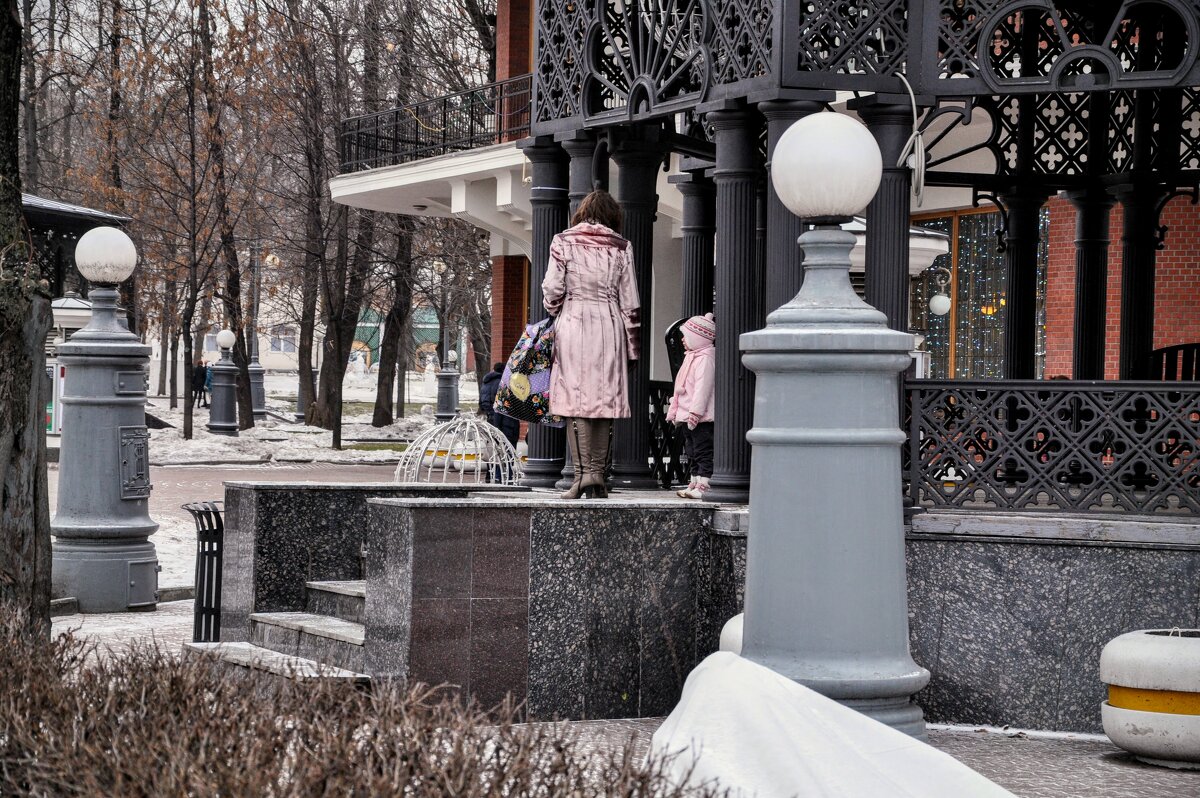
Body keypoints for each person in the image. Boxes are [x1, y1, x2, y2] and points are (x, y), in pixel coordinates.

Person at [542, 189, 640, 500]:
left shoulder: (563, 241)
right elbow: (631, 301)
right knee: (603, 401)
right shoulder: (622, 246)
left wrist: (556, 307)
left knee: (576, 401)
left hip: (574, 322)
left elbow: (552, 289)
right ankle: (597, 474)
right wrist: (632, 346)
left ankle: (583, 475)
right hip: (609, 325)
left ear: (582, 213)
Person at [666, 313, 716, 499]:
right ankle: (694, 481)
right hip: (687, 414)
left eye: (686, 336)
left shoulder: (705, 359)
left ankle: (705, 484)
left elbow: (702, 388)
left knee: (703, 450)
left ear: (698, 337)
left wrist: (695, 412)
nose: (682, 340)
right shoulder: (692, 357)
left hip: (700, 416)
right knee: (692, 450)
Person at [479, 361, 520, 482]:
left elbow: (482, 403)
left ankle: (491, 475)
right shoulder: (504, 383)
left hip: (491, 420)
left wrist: (490, 413)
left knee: (494, 448)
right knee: (506, 449)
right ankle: (506, 476)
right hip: (505, 421)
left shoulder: (486, 382)